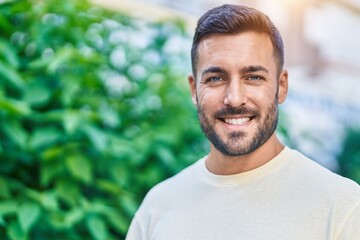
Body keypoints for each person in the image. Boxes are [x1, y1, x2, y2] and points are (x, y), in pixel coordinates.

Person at [126, 4, 360, 240]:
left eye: (253, 77)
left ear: (281, 86)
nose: (234, 98)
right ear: (194, 90)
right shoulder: (157, 207)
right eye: (216, 78)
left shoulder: (343, 207)